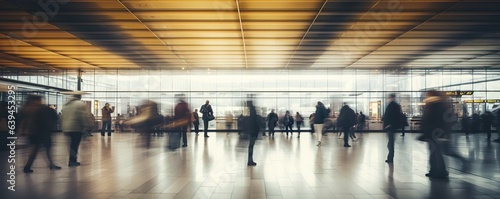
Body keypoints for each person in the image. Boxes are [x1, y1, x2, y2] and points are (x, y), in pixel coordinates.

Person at [419, 90, 463, 179]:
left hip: (436, 133)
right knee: (434, 153)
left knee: (436, 153)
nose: (426, 96)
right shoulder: (436, 104)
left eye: (427, 95)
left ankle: (441, 171)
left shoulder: (435, 105)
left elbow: (432, 119)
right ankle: (434, 170)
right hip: (435, 133)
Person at [20, 95, 61, 173]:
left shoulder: (26, 107)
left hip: (31, 132)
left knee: (35, 149)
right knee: (46, 148)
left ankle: (28, 166)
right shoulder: (41, 108)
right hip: (41, 131)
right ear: (38, 100)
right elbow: (49, 118)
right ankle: (50, 164)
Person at [62, 91, 92, 167]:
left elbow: (63, 116)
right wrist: (87, 126)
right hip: (76, 127)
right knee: (74, 145)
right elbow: (82, 116)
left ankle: (72, 160)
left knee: (72, 145)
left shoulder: (67, 104)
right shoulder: (80, 104)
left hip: (67, 127)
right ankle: (72, 161)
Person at [382, 93, 403, 163]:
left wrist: (389, 124)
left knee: (390, 143)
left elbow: (392, 117)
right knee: (390, 143)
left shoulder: (392, 106)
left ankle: (390, 158)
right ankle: (390, 157)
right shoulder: (395, 106)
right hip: (391, 126)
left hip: (390, 127)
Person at [246, 100, 260, 166]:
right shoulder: (252, 112)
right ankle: (250, 160)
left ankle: (250, 160)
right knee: (251, 146)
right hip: (253, 131)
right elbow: (254, 122)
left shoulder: (249, 111)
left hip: (251, 131)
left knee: (251, 146)